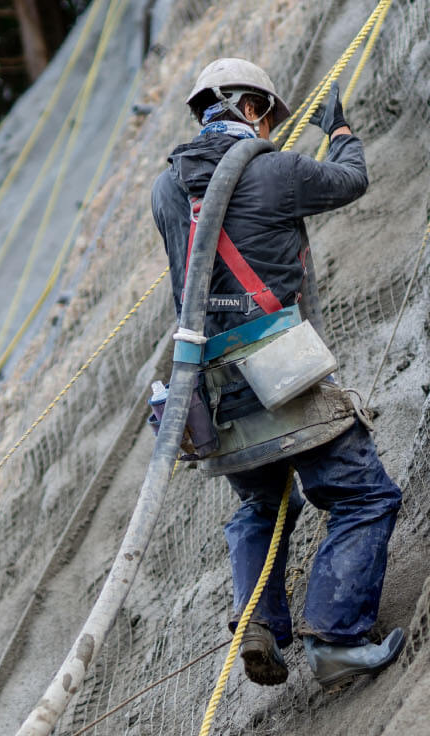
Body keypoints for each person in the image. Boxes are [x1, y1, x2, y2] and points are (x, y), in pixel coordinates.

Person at [150, 57, 404, 688]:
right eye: (270, 114)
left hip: (213, 388)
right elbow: (351, 181)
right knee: (363, 494)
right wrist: (339, 130)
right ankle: (338, 638)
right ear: (253, 108)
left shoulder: (165, 189)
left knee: (263, 500)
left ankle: (258, 621)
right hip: (280, 370)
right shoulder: (275, 170)